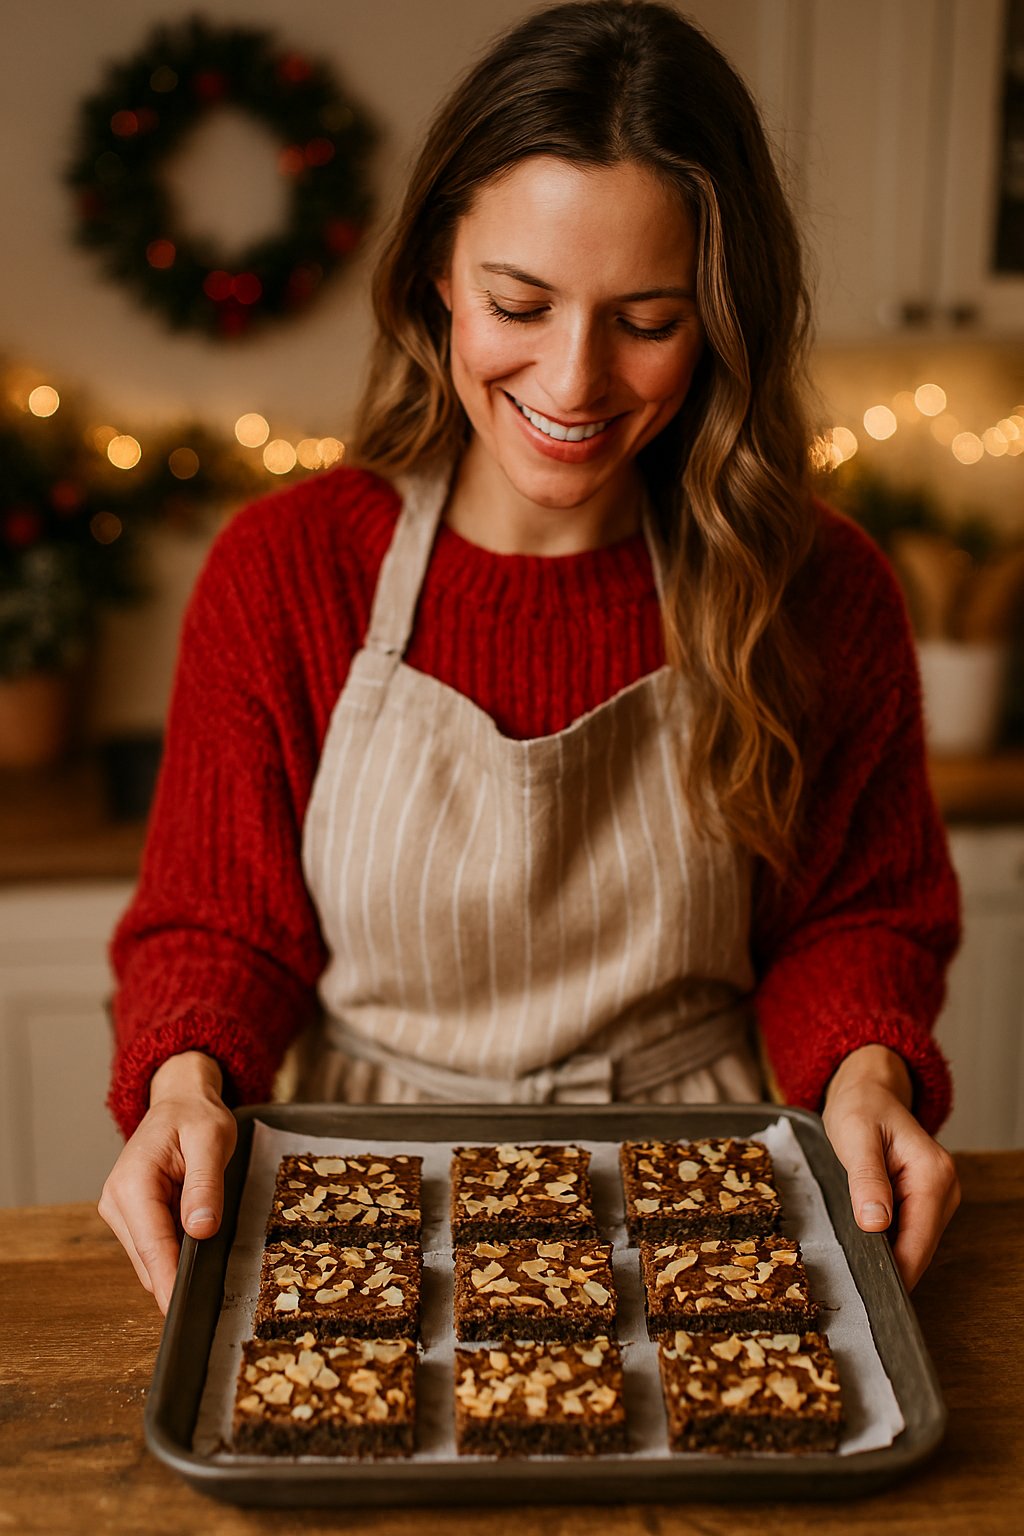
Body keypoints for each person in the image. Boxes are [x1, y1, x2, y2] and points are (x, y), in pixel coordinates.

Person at [99, 0, 961, 1315]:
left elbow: (854, 917)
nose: (574, 379)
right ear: (438, 271)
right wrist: (183, 1081)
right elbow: (220, 931)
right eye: (521, 301)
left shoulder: (817, 587)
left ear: (722, 317)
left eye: (649, 320)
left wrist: (866, 1072)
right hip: (367, 1176)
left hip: (701, 1171)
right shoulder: (288, 571)